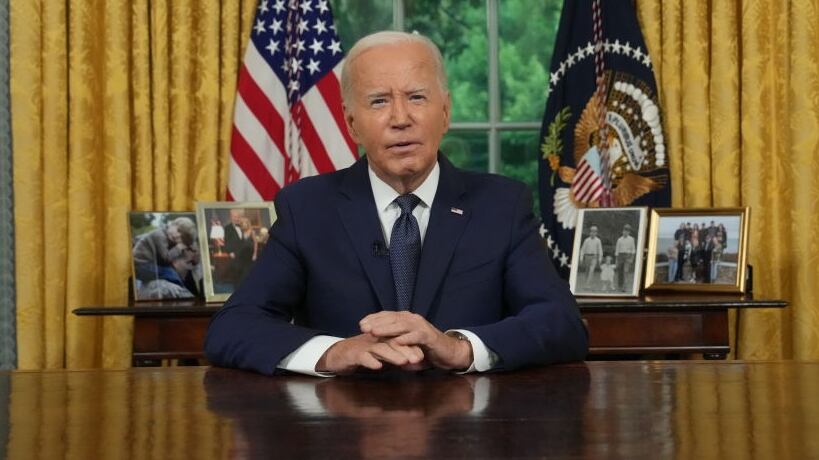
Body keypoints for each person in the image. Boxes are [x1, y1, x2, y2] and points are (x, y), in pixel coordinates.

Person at [204, 31, 587, 377]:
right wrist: (334, 352)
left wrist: (458, 348)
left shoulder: (501, 205)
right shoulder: (306, 208)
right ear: (352, 124)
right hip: (342, 431)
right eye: (379, 101)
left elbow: (561, 322)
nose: (400, 118)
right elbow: (233, 327)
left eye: (417, 97)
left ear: (445, 111)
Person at [614, 224, 636, 291]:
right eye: (624, 231)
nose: (625, 232)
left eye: (627, 231)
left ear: (629, 232)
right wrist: (616, 260)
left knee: (625, 271)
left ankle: (624, 287)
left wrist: (632, 258)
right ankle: (619, 286)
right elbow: (617, 250)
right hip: (620, 256)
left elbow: (633, 250)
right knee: (620, 272)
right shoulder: (619, 239)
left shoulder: (631, 239)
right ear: (622, 231)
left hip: (628, 256)